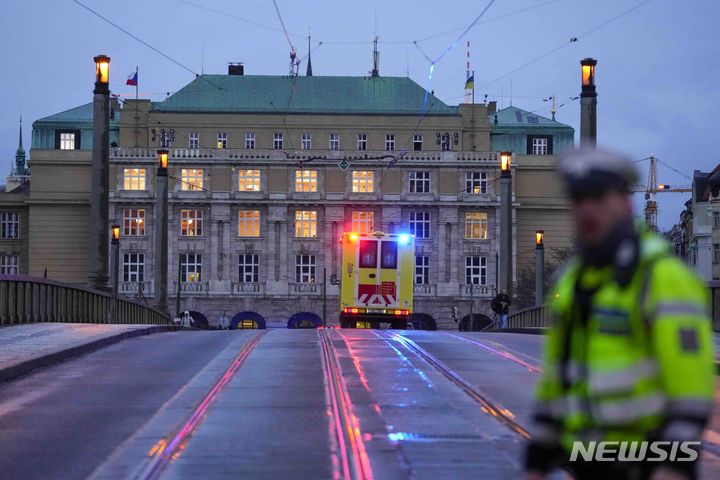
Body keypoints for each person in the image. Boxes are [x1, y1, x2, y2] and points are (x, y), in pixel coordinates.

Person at [524, 148, 715, 480]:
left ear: (625, 202)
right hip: (581, 461)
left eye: (598, 196)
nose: (587, 209)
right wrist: (537, 459)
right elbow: (556, 382)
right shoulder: (572, 282)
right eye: (578, 198)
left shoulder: (663, 277)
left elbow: (692, 389)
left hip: (644, 463)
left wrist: (674, 466)